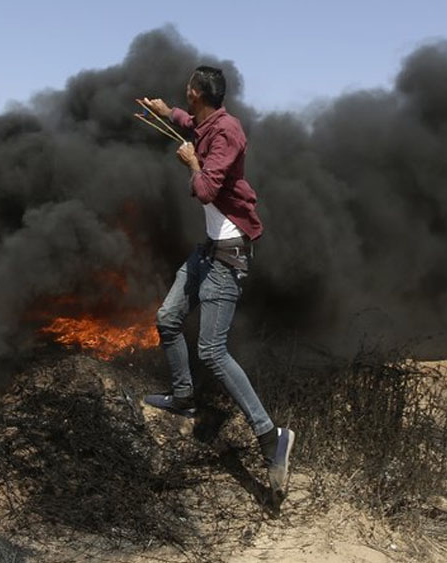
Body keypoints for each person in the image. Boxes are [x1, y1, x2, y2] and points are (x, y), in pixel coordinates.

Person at [140, 66, 294, 495]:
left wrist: (191, 163)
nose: (184, 93)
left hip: (229, 255)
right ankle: (184, 398)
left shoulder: (227, 133)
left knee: (211, 349)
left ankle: (271, 437)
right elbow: (191, 124)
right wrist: (165, 111)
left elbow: (207, 189)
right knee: (169, 318)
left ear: (200, 93)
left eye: (186, 89)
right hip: (207, 248)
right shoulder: (207, 121)